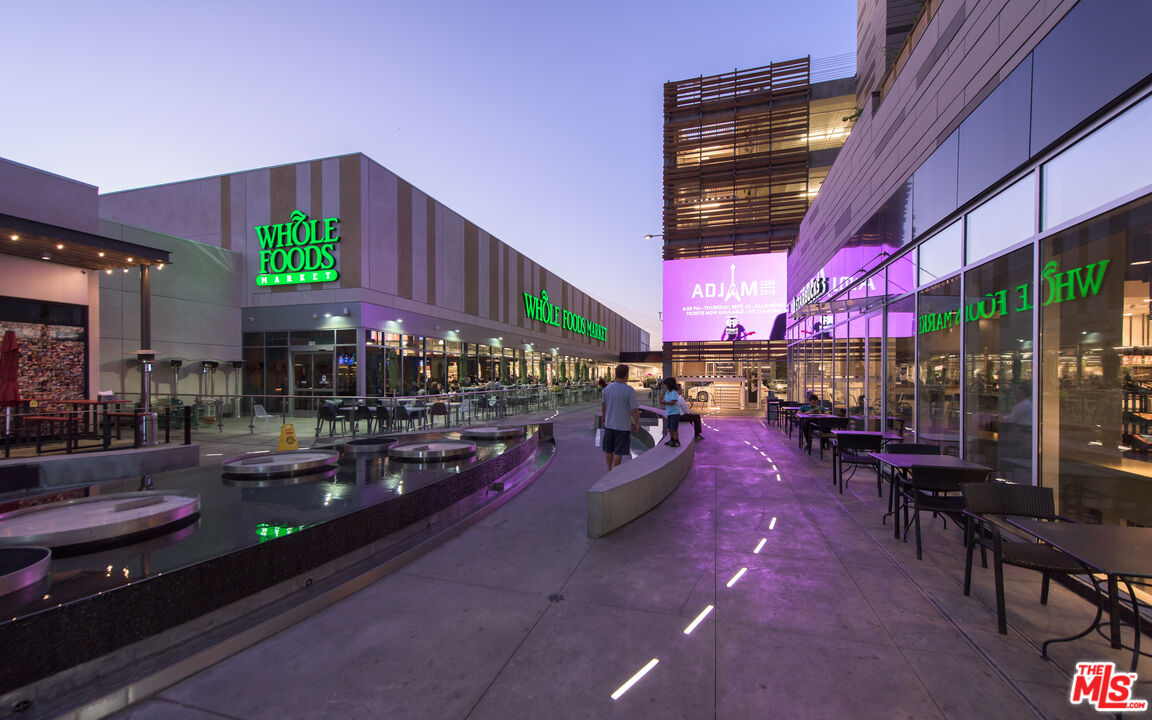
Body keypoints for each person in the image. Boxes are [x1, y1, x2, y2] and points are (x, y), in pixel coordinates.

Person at [601, 363, 640, 471]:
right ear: (626, 375)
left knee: (608, 449)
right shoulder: (629, 390)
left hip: (609, 425)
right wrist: (637, 422)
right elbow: (634, 409)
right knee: (618, 451)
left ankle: (609, 470)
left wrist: (604, 417)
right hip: (622, 427)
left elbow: (603, 405)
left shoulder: (607, 389)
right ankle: (615, 472)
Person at [660, 376, 681, 447]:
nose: (664, 386)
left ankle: (677, 440)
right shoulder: (668, 392)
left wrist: (664, 402)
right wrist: (662, 401)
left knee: (674, 428)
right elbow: (666, 402)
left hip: (674, 413)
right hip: (669, 413)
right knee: (670, 427)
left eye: (665, 384)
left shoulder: (674, 392)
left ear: (669, 385)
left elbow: (673, 402)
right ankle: (672, 439)